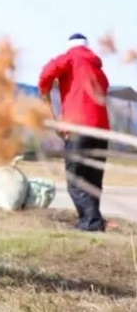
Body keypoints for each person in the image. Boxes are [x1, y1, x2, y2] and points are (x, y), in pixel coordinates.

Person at [38, 33, 110, 233]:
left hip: (80, 128)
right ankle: (90, 221)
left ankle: (92, 222)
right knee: (93, 179)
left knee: (76, 179)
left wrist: (43, 88)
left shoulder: (71, 57)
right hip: (102, 130)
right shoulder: (97, 68)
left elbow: (47, 72)